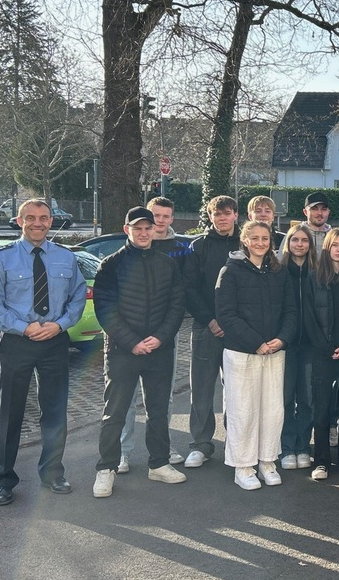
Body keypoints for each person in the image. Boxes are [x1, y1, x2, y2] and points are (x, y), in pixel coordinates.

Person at [0, 199, 87, 506]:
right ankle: (2, 479)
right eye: (31, 218)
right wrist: (24, 328)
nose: (37, 223)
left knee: (54, 411)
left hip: (55, 341)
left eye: (43, 218)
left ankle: (53, 473)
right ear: (19, 220)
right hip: (17, 341)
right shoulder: (1, 258)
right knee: (10, 412)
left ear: (52, 221)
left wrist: (60, 325)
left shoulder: (66, 258)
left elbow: (78, 298)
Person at [91, 207, 188, 498]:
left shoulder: (167, 264)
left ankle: (158, 463)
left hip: (160, 350)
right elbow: (105, 309)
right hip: (123, 350)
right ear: (127, 230)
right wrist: (133, 342)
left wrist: (159, 338)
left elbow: (176, 305)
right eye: (138, 228)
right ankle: (106, 468)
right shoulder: (110, 265)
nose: (144, 233)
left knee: (159, 411)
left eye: (148, 228)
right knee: (115, 413)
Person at [214, 220, 297, 490]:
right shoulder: (230, 271)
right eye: (255, 238)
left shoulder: (279, 272)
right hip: (242, 353)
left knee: (272, 410)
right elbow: (226, 315)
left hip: (274, 352)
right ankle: (243, 465)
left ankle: (267, 461)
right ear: (245, 240)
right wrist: (255, 343)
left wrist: (282, 339)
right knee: (244, 410)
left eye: (265, 238)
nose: (260, 243)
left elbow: (291, 311)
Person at [118, 196, 187, 473]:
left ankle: (162, 446)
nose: (158, 222)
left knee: (162, 397)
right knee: (126, 397)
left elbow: (179, 295)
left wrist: (164, 332)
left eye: (164, 216)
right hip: (129, 338)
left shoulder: (181, 248)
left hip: (164, 333)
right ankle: (123, 451)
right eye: (154, 216)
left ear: (171, 219)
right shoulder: (122, 256)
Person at [182, 195, 240, 469]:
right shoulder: (198, 247)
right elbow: (189, 288)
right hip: (205, 326)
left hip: (238, 329)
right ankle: (201, 444)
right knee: (202, 388)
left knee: (238, 390)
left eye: (227, 214)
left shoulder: (246, 242)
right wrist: (209, 320)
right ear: (210, 217)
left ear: (236, 216)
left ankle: (237, 441)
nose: (222, 218)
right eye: (217, 214)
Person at [305, 228, 339, 480]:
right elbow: (309, 317)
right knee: (322, 409)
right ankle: (322, 462)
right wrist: (325, 347)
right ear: (326, 248)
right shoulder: (314, 278)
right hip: (322, 353)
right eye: (334, 245)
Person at [277, 224, 316, 470]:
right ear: (288, 244)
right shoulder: (278, 272)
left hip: (311, 346)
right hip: (286, 345)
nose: (299, 244)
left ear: (310, 245)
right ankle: (287, 447)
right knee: (285, 398)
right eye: (295, 240)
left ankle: (304, 446)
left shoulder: (317, 272)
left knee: (307, 398)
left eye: (304, 240)